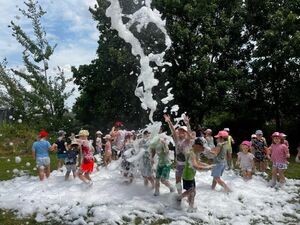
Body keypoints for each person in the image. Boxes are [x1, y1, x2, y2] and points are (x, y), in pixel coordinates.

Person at [178, 138, 213, 212]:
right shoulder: (192, 154)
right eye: (202, 147)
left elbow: (198, 163)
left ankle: (189, 203)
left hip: (191, 175)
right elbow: (195, 166)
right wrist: (207, 168)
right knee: (192, 191)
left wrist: (207, 165)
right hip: (187, 176)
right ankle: (180, 199)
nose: (203, 149)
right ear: (197, 145)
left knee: (193, 192)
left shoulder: (196, 153)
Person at [164, 114, 192, 195]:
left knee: (187, 182)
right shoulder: (177, 140)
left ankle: (188, 195)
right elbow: (173, 130)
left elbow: (190, 133)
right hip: (179, 165)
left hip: (187, 165)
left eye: (183, 131)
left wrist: (187, 124)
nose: (181, 132)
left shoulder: (187, 141)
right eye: (180, 131)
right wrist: (169, 121)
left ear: (186, 133)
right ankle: (179, 194)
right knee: (177, 180)